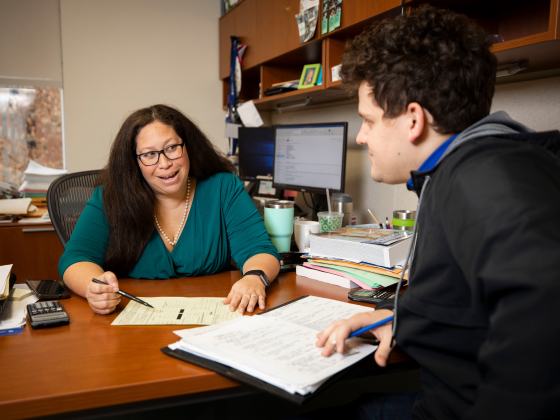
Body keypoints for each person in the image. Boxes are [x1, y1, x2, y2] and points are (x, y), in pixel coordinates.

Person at [311, 5, 560, 420]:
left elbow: (546, 311)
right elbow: (469, 299)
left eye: (368, 120)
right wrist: (400, 318)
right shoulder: (479, 165)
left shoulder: (480, 176)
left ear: (413, 120)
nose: (360, 137)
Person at [59, 105, 280, 316]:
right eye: (149, 154)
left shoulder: (224, 187)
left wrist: (254, 278)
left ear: (188, 147)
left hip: (214, 315)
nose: (164, 163)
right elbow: (76, 258)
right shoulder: (109, 198)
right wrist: (94, 288)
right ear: (133, 162)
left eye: (172, 148)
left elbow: (258, 249)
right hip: (133, 323)